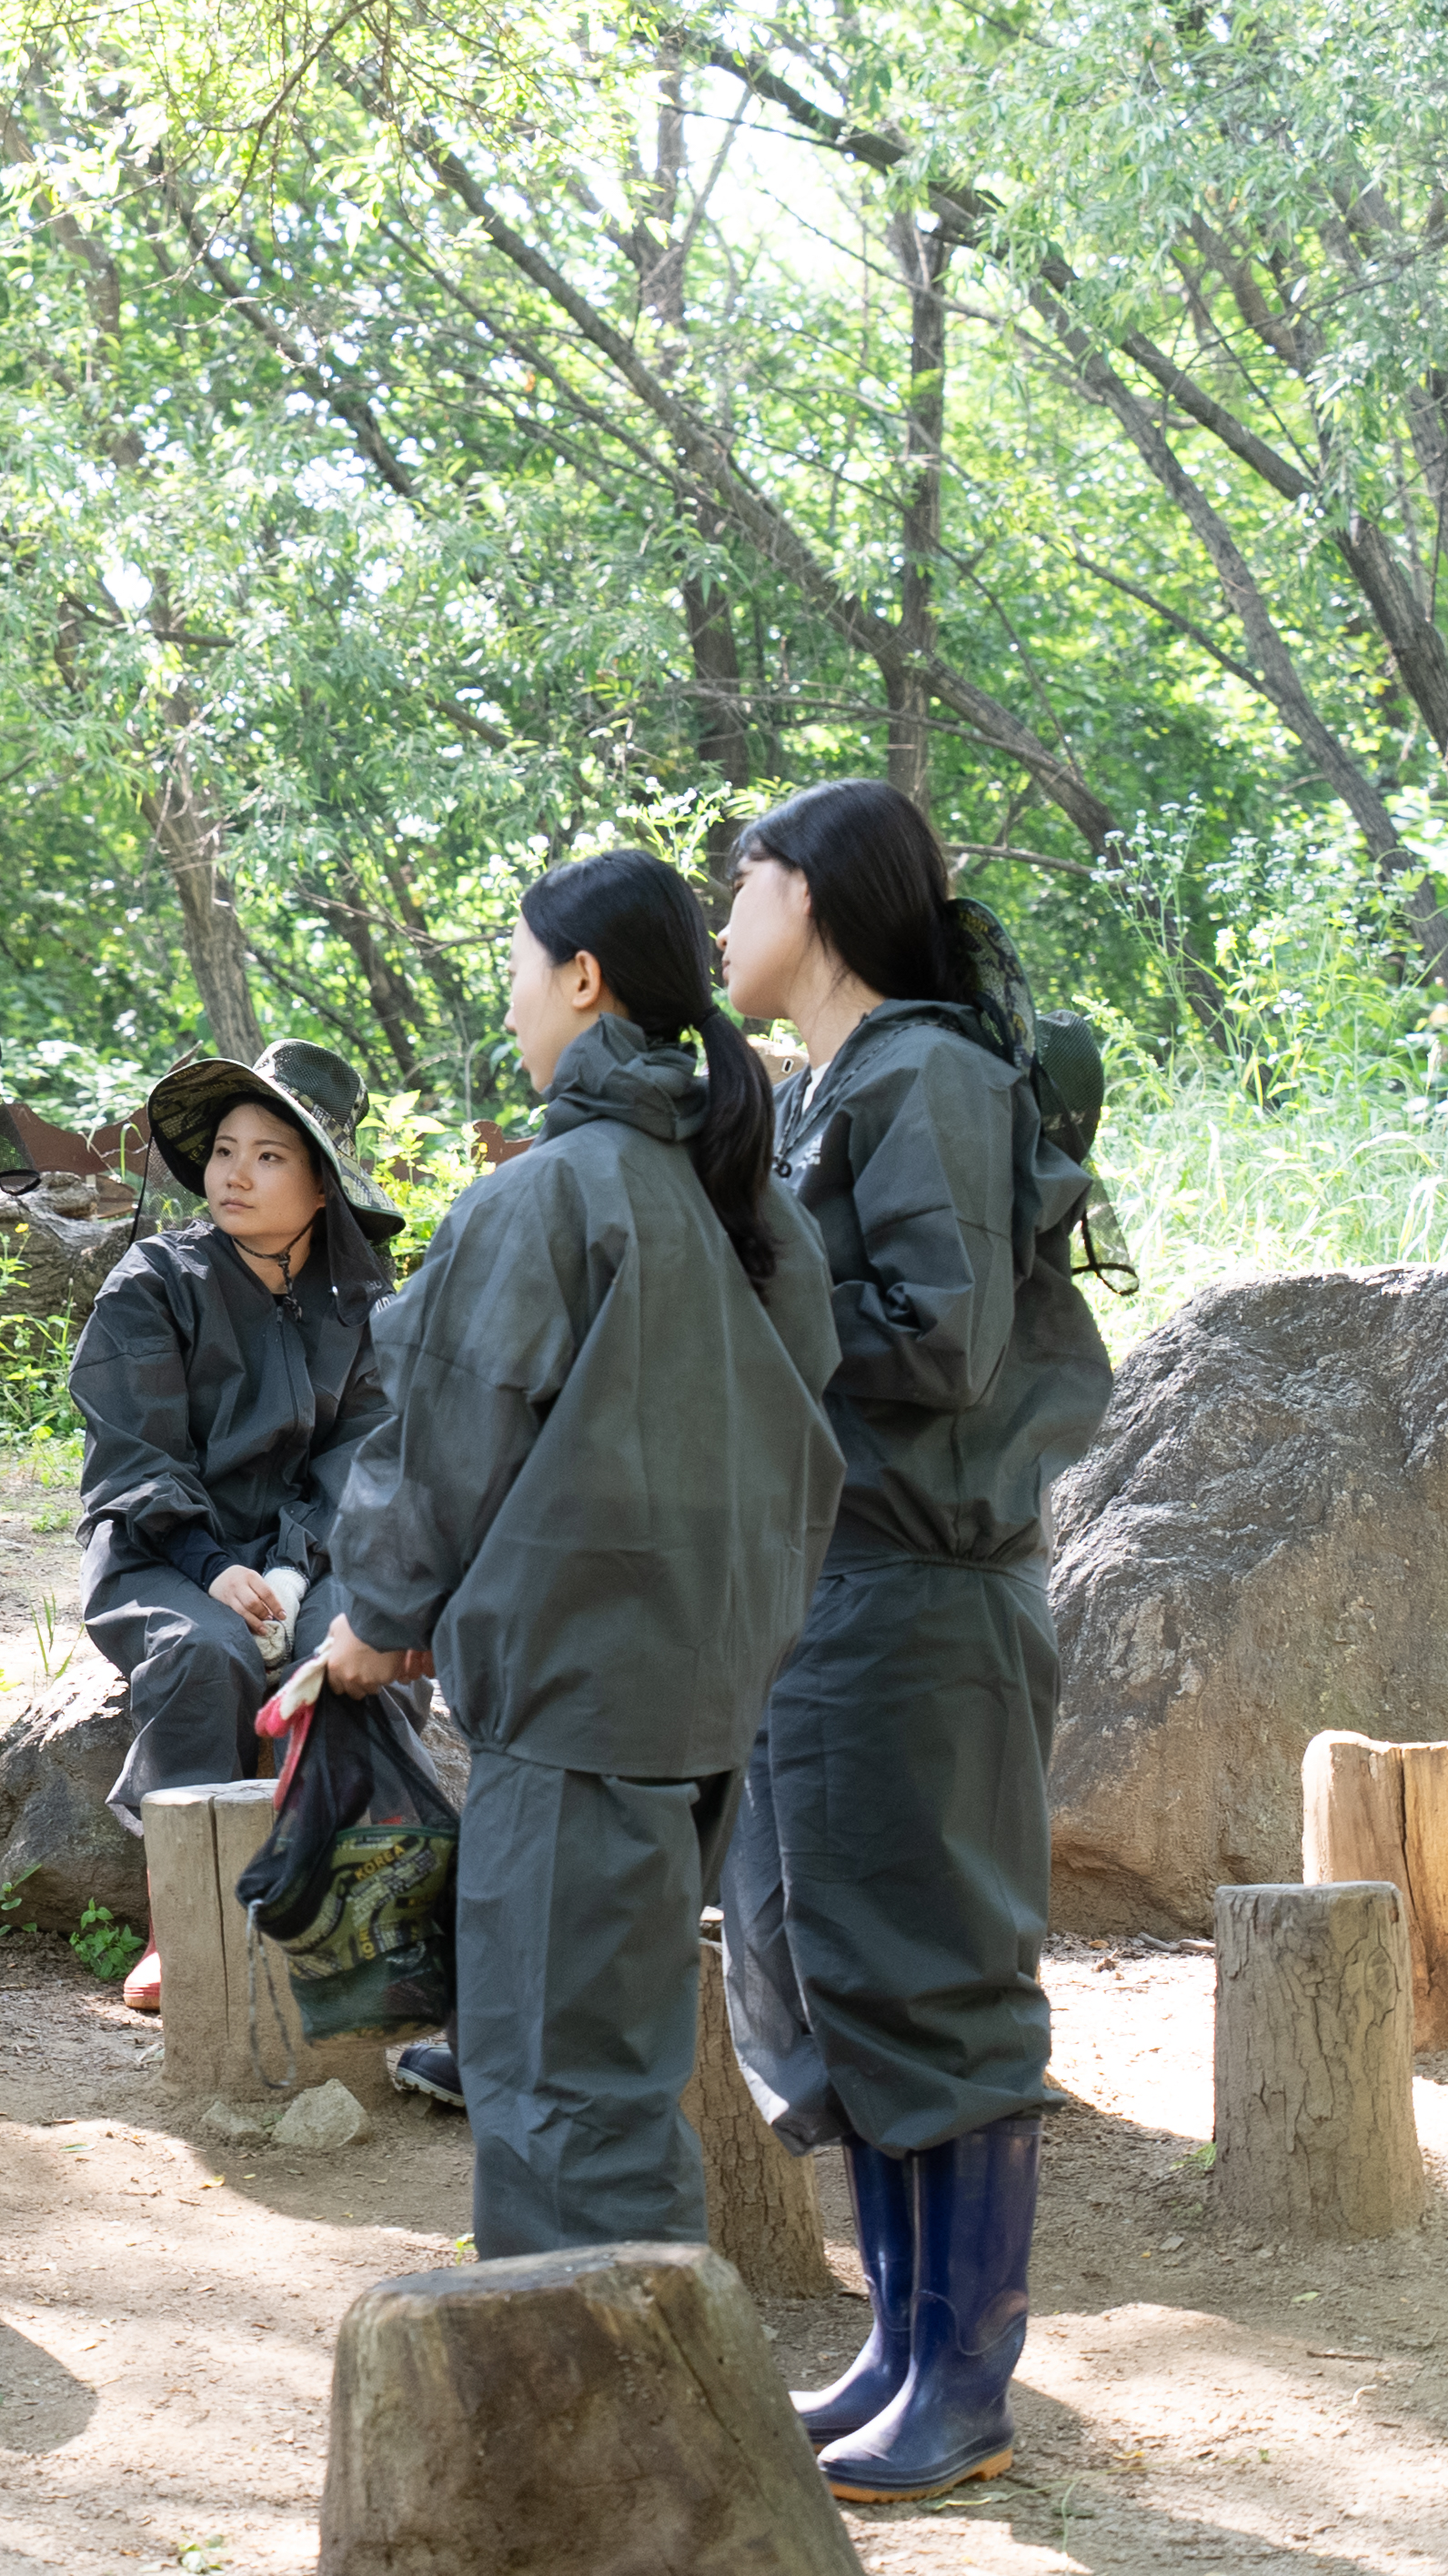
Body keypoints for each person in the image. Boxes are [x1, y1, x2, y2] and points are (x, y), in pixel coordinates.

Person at [321, 850, 842, 2269]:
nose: (510, 1009)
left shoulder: (558, 1196)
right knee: (608, 2069)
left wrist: (376, 1613)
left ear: (585, 980)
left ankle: (599, 2445)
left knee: (556, 2086)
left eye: (515, 973)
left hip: (578, 1704)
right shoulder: (739, 1197)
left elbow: (447, 1430)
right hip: (700, 1694)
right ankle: (643, 2411)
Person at [714, 780, 1114, 2506]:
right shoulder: (831, 1087)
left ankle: (967, 2380)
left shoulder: (928, 1073)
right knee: (848, 1971)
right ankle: (895, 2343)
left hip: (926, 1592)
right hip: (840, 1583)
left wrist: (739, 1296)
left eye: (742, 886)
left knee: (940, 1971)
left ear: (813, 898)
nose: (722, 921)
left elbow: (940, 1339)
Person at [66, 1038, 407, 2012]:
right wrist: (210, 1563)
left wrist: (298, 1572)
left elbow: (369, 1458)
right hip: (161, 1548)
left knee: (349, 1653)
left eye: (268, 1155)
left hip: (316, 1547)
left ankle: (356, 1907)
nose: (233, 1175)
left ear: (319, 1185)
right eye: (223, 1149)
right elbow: (134, 1454)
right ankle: (184, 1921)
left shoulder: (363, 1296)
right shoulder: (153, 1281)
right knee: (202, 1654)